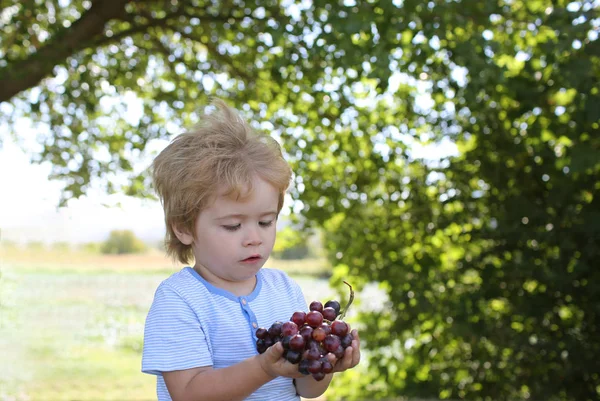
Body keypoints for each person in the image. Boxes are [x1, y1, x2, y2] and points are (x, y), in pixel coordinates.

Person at [141, 99, 361, 401]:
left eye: (265, 221)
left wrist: (327, 363)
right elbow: (190, 393)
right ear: (184, 228)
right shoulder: (180, 299)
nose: (254, 238)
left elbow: (306, 388)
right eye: (233, 226)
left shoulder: (284, 289)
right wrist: (263, 368)